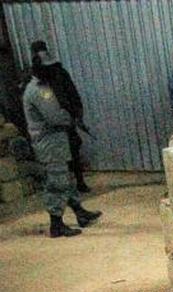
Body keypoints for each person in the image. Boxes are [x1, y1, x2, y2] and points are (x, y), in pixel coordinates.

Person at [23, 58, 102, 238]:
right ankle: (56, 224)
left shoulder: (43, 86)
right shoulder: (39, 90)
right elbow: (55, 117)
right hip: (49, 143)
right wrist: (70, 118)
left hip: (54, 142)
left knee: (65, 179)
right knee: (56, 183)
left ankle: (79, 212)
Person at [30, 41, 89, 192]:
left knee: (71, 150)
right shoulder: (39, 80)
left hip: (62, 120)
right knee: (64, 155)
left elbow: (72, 94)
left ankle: (77, 183)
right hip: (53, 124)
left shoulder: (54, 72)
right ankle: (73, 185)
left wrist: (76, 116)